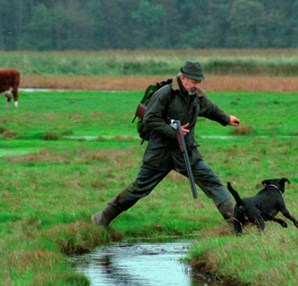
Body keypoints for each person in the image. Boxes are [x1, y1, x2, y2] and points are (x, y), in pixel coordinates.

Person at [92, 61, 241, 228]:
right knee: (138, 189)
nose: (197, 85)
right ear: (183, 78)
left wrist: (227, 119)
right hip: (159, 154)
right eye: (194, 81)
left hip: (186, 153)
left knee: (212, 182)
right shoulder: (164, 93)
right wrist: (173, 132)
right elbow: (150, 118)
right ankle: (102, 218)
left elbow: (210, 108)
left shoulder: (196, 95)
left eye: (199, 81)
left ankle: (236, 222)